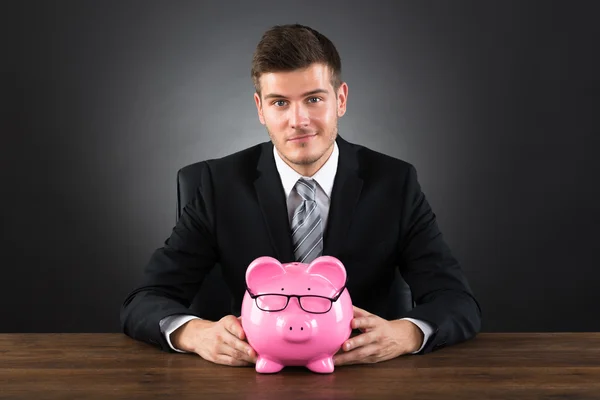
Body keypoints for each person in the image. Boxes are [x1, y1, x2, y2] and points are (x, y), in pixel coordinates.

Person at [120, 24, 481, 367]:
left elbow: (456, 301)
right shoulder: (219, 184)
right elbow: (145, 300)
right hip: (249, 378)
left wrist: (405, 335)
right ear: (260, 109)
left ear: (340, 99)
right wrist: (193, 333)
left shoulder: (394, 182)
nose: (299, 120)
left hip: (366, 376)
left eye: (313, 98)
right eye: (279, 103)